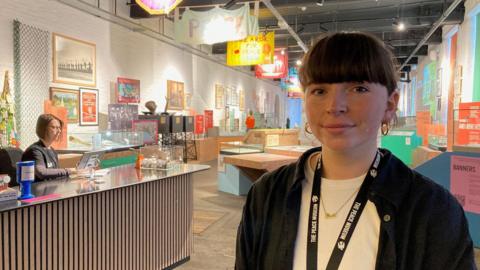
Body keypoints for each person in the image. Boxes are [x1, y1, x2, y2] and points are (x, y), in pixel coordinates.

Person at [235, 32, 475, 270]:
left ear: (390, 105)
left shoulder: (432, 209)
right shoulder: (267, 195)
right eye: (320, 91)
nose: (334, 106)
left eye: (358, 88)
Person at [22, 114, 77, 181]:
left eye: (59, 128)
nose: (59, 131)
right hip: (37, 190)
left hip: (51, 189)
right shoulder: (34, 151)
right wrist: (69, 171)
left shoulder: (52, 150)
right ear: (43, 129)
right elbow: (42, 172)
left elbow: (56, 174)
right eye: (54, 127)